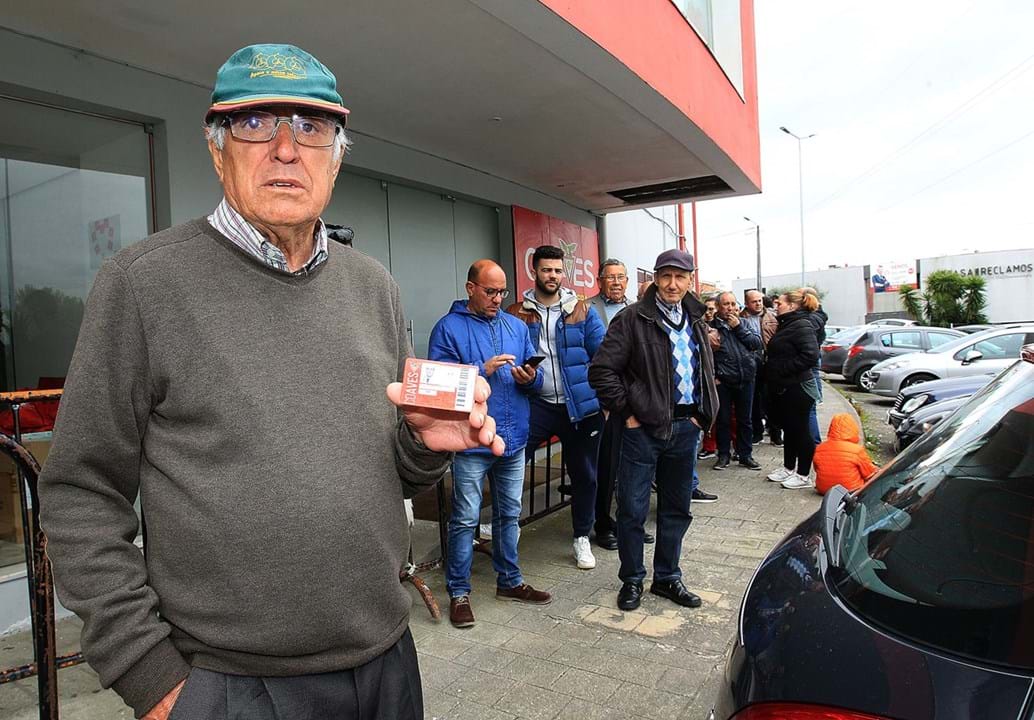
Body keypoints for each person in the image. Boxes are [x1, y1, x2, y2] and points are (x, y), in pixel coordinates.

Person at [37, 44, 504, 720]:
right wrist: (153, 678)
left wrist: (425, 444)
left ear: (338, 155)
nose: (286, 149)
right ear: (215, 146)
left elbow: (398, 473)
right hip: (228, 686)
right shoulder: (142, 285)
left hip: (387, 664)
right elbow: (80, 492)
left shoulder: (375, 286)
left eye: (311, 128)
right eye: (256, 124)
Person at [588, 249, 719, 611]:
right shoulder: (633, 319)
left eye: (681, 277)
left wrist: (702, 416)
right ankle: (632, 580)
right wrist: (628, 413)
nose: (673, 284)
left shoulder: (695, 318)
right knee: (631, 509)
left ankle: (667, 578)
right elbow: (602, 371)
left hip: (686, 428)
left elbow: (702, 369)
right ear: (655, 279)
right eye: (667, 276)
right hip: (642, 430)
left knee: (677, 508)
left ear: (690, 280)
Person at [428, 260, 551, 629]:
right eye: (490, 291)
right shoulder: (448, 327)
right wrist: (483, 369)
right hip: (471, 441)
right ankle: (459, 592)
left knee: (509, 514)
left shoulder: (517, 326)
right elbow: (439, 386)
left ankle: (509, 582)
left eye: (503, 292)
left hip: (512, 439)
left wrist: (530, 377)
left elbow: (538, 377)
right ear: (470, 288)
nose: (498, 298)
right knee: (465, 519)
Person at [506, 245, 606, 570]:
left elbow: (603, 354)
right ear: (534, 271)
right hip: (535, 403)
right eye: (547, 270)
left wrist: (605, 400)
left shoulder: (581, 309)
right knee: (511, 461)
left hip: (580, 406)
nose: (553, 276)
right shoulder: (516, 312)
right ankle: (508, 526)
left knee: (584, 475)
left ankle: (581, 538)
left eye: (558, 270)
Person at [586, 259, 641, 550]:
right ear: (600, 281)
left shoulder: (638, 311)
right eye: (611, 278)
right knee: (605, 467)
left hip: (636, 399)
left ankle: (629, 524)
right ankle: (603, 524)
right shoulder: (587, 308)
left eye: (621, 277)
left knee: (632, 467)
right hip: (604, 401)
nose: (617, 282)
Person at [764, 288, 821, 490]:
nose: (775, 306)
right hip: (786, 387)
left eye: (779, 303)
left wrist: (782, 370)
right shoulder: (787, 324)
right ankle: (789, 468)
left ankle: (804, 475)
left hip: (798, 387)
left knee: (801, 431)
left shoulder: (802, 325)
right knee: (790, 429)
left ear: (793, 305)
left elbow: (810, 355)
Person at [710, 291, 762, 471]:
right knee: (723, 419)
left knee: (745, 420)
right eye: (726, 304)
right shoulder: (711, 326)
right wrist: (714, 375)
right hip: (723, 380)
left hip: (746, 378)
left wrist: (739, 327)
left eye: (733, 304)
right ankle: (723, 454)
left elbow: (756, 343)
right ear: (718, 307)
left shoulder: (745, 323)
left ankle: (745, 455)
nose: (730, 308)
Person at [740, 289, 777, 444]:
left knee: (771, 398)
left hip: (768, 360)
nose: (758, 304)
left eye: (760, 300)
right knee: (754, 398)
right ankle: (757, 431)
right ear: (747, 303)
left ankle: (775, 432)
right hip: (750, 361)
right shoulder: (740, 318)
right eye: (754, 301)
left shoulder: (772, 317)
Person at [813, 413, 878, 494]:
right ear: (853, 429)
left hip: (824, 490)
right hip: (850, 490)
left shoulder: (819, 448)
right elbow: (869, 474)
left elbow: (817, 469)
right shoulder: (857, 450)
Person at [801, 287, 828, 446]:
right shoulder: (819, 316)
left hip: (808, 363)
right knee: (812, 404)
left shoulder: (809, 319)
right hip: (815, 359)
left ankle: (815, 444)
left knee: (810, 408)